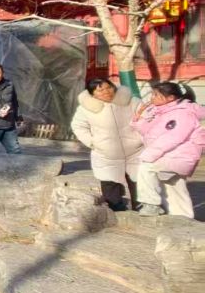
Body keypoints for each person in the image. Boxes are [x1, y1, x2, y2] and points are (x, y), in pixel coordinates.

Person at [132, 81, 204, 219]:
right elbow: (147, 132)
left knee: (147, 167)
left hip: (179, 156)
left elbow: (173, 138)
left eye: (156, 95)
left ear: (170, 98)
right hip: (169, 156)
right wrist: (139, 117)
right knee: (173, 188)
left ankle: (151, 204)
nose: (152, 98)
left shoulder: (182, 113)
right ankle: (184, 218)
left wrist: (149, 155)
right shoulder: (161, 111)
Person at [70, 77, 142, 211]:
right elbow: (78, 126)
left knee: (139, 181)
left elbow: (148, 118)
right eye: (100, 90)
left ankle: (142, 209)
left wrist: (142, 137)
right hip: (106, 153)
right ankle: (116, 210)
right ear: (92, 94)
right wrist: (92, 142)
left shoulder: (132, 102)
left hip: (135, 151)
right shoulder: (86, 108)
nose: (106, 92)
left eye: (108, 87)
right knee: (109, 181)